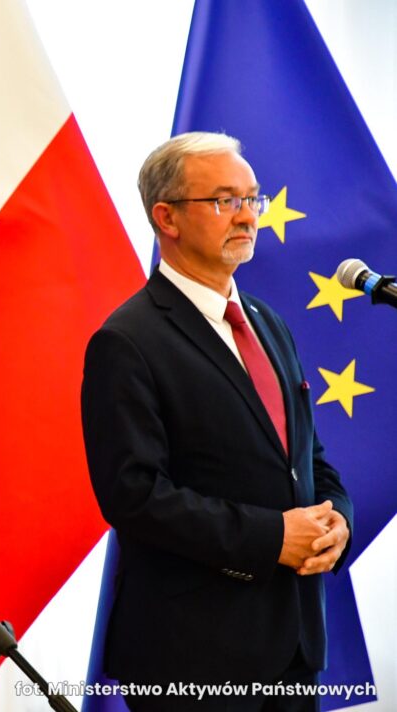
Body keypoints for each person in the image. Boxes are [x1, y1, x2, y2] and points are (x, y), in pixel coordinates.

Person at [81, 132, 352, 711]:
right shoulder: (127, 341)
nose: (248, 216)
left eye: (252, 199)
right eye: (225, 200)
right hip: (193, 655)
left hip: (294, 646)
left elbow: (307, 458)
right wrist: (274, 536)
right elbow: (134, 497)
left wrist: (338, 523)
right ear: (167, 218)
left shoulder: (266, 321)